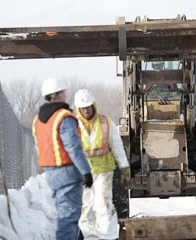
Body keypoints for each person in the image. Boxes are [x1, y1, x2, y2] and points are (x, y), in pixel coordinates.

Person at [32, 78, 93, 240]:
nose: (65, 95)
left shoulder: (38, 120)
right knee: (68, 218)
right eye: (63, 92)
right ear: (58, 95)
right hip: (67, 173)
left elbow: (40, 147)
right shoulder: (63, 117)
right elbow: (73, 147)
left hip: (52, 173)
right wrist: (86, 172)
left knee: (65, 213)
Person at [74, 88, 130, 240]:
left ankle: (109, 237)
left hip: (103, 172)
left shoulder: (105, 123)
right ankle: (89, 236)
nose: (86, 111)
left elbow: (117, 146)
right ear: (78, 109)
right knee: (86, 208)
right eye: (83, 108)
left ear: (93, 106)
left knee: (103, 205)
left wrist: (124, 167)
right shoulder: (74, 126)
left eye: (88, 107)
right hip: (84, 174)